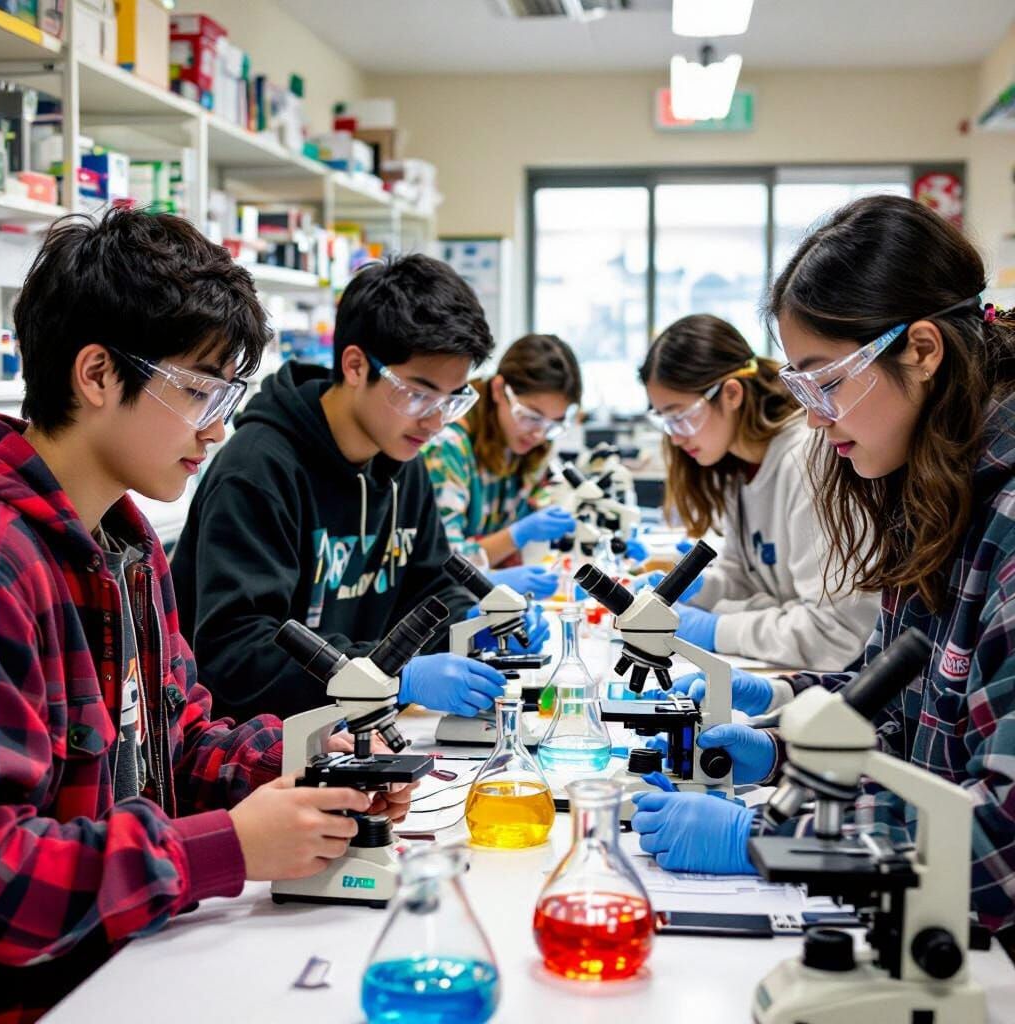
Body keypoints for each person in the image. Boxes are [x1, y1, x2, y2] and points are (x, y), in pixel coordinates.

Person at [0, 210, 412, 1020]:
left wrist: (313, 762)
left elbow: (176, 744)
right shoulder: (5, 563)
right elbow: (5, 882)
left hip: (136, 964)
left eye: (229, 395)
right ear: (97, 374)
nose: (217, 428)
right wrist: (229, 847)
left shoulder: (127, 543)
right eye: (197, 391)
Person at [631, 195, 1015, 940]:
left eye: (826, 382)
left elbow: (1002, 844)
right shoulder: (935, 492)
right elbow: (897, 711)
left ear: (924, 351)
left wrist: (775, 838)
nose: (811, 419)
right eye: (801, 387)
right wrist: (779, 744)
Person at [172, 255, 547, 725]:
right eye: (418, 394)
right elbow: (237, 656)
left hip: (357, 729)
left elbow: (429, 586)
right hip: (256, 751)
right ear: (354, 365)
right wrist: (393, 675)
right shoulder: (258, 470)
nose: (434, 422)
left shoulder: (400, 457)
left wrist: (477, 620)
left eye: (452, 400)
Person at [639, 314, 879, 670]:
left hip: (838, 684)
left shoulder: (807, 458)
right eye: (664, 421)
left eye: (680, 416)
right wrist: (696, 589)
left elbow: (834, 631)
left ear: (732, 393)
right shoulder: (740, 466)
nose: (675, 436)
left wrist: (715, 629)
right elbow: (748, 578)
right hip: (792, 670)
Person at [422, 333, 583, 600]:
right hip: (446, 604)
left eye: (552, 424)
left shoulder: (530, 449)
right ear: (499, 390)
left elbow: (541, 505)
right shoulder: (448, 447)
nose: (538, 434)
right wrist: (516, 535)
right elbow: (445, 562)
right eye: (531, 416)